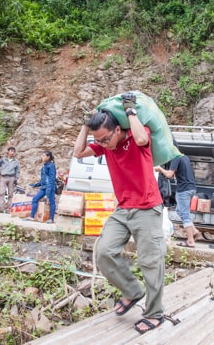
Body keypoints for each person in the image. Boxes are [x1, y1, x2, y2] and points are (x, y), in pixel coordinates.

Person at [73, 94, 166, 335]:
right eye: (99, 141)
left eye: (105, 138)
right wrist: (86, 125)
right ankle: (132, 291)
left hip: (147, 207)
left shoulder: (136, 139)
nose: (103, 144)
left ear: (117, 129)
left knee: (150, 262)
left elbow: (143, 136)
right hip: (123, 208)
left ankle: (154, 314)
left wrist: (130, 111)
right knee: (104, 252)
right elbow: (78, 152)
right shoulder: (105, 147)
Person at [155, 146, 199, 248]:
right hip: (191, 188)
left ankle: (190, 241)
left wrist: (160, 169)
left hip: (184, 189)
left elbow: (169, 175)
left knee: (184, 214)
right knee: (180, 210)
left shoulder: (176, 157)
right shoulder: (185, 157)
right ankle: (194, 231)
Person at [26, 151, 57, 223]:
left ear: (48, 157)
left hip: (50, 187)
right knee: (35, 199)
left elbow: (52, 178)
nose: (42, 157)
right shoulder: (44, 166)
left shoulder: (51, 166)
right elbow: (43, 179)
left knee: (52, 202)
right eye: (42, 156)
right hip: (43, 187)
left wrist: (49, 188)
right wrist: (36, 185)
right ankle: (32, 216)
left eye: (43, 156)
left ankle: (51, 219)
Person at [0, 147, 20, 213]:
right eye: (11, 151)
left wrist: (16, 179)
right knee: (1, 193)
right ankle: (1, 209)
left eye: (13, 151)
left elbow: (17, 171)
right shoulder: (3, 159)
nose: (12, 152)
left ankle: (9, 209)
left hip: (12, 178)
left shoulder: (16, 161)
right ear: (8, 152)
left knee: (10, 194)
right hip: (3, 177)